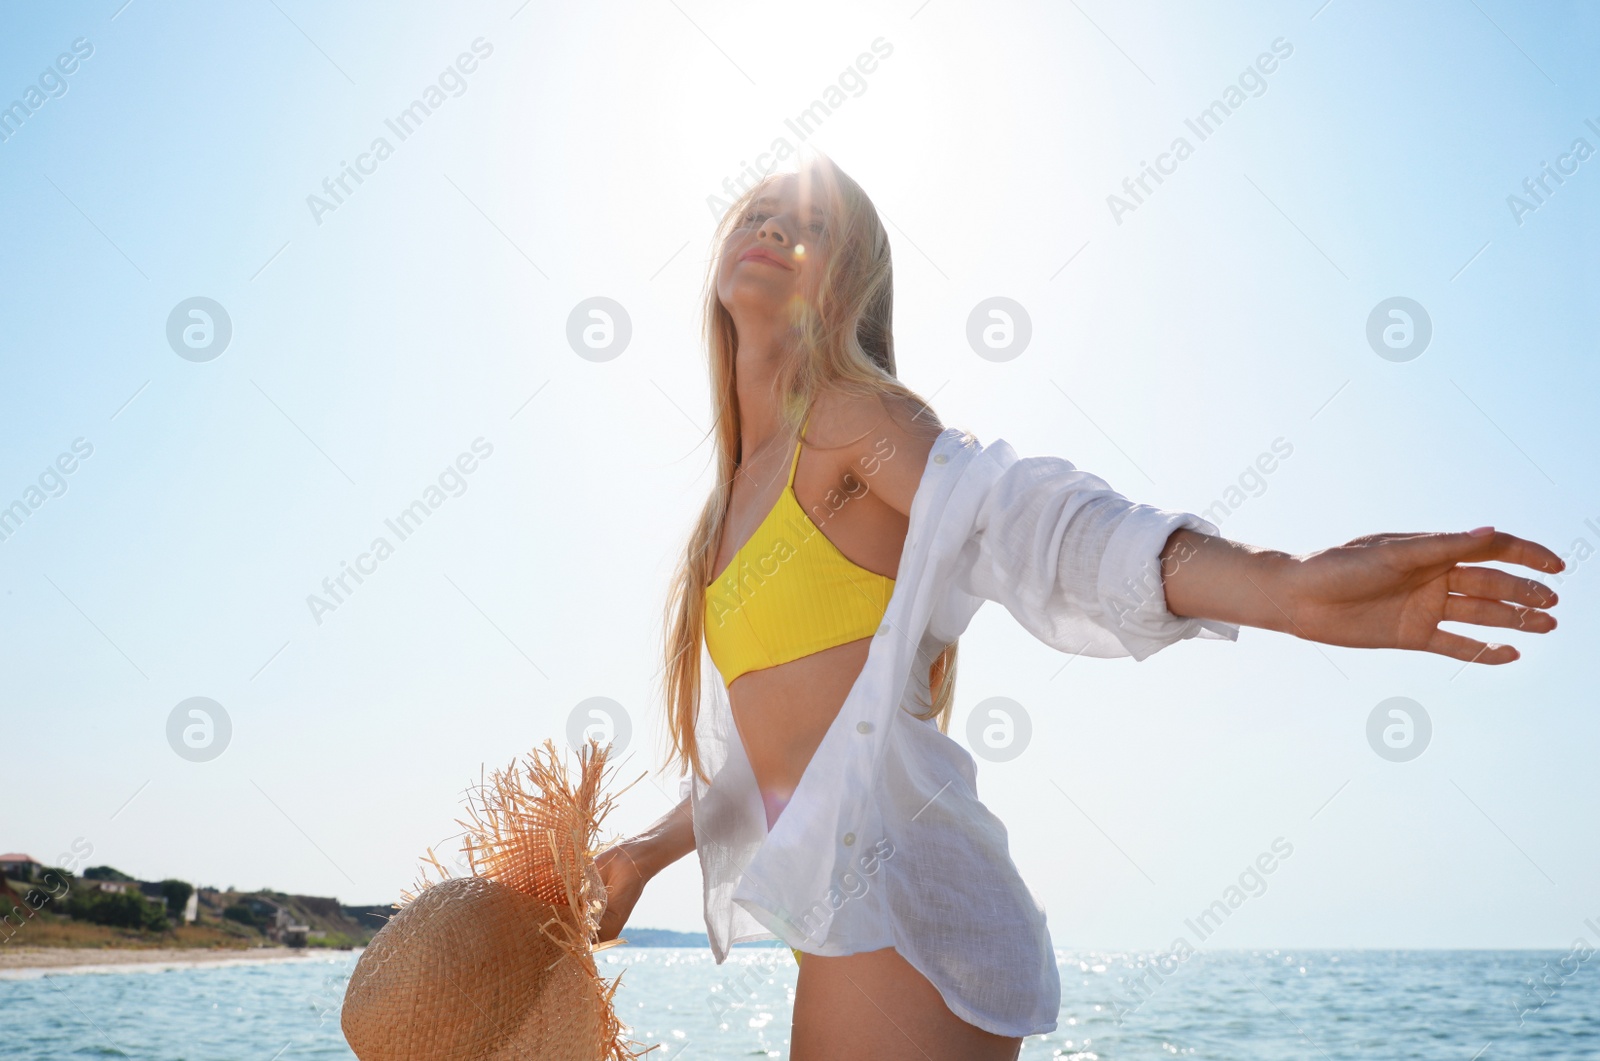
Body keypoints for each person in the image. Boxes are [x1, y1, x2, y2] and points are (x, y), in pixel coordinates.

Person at [595, 150, 1563, 1061]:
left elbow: (1027, 519)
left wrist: (1281, 583)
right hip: (844, 909)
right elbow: (776, 753)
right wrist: (641, 853)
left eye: (809, 226)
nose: (773, 229)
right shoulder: (726, 511)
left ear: (845, 282)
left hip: (905, 905)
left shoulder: (852, 423)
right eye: (758, 213)